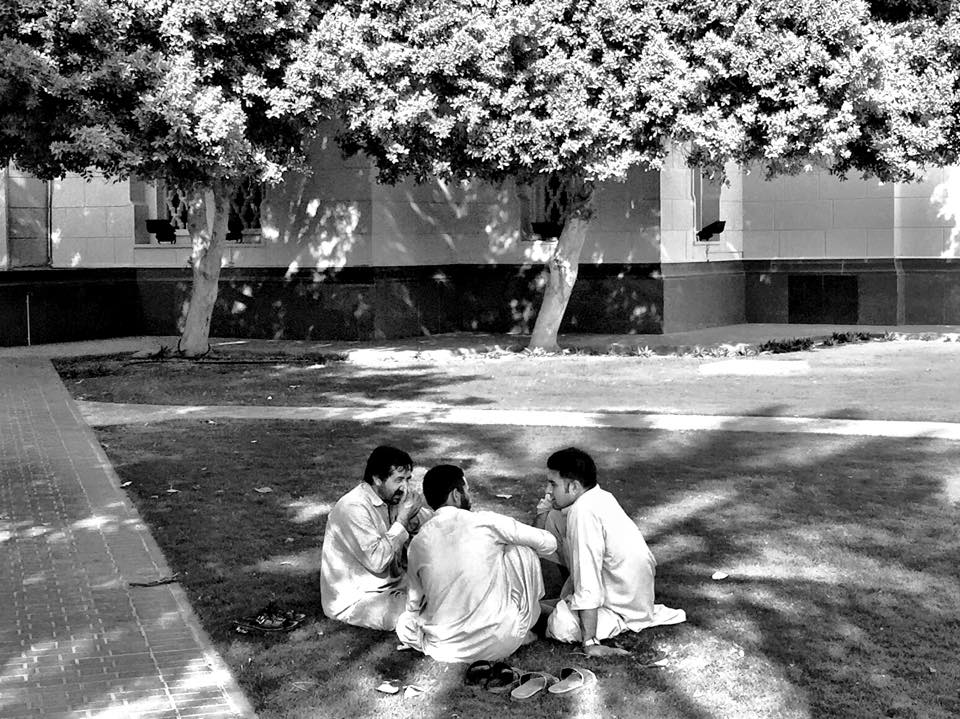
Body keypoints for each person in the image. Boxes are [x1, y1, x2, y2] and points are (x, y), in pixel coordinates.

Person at [395, 464, 558, 663]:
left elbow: (414, 604)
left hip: (445, 648)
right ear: (456, 494)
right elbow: (548, 543)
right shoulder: (485, 521)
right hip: (502, 641)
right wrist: (542, 514)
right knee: (521, 550)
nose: (469, 495)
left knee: (404, 622)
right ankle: (526, 626)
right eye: (467, 490)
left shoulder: (418, 542)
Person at [535, 447, 685, 657]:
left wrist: (590, 642)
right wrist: (544, 511)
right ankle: (556, 604)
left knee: (561, 625)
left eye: (553, 483)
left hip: (624, 607)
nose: (548, 490)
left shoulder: (583, 511)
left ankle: (539, 612)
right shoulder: (597, 496)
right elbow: (540, 536)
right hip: (617, 590)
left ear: (574, 486)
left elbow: (588, 578)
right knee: (553, 518)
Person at [320, 445, 425, 631]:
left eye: (408, 479)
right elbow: (377, 561)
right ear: (377, 479)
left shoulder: (392, 498)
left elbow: (430, 521)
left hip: (395, 585)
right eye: (399, 480)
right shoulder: (353, 508)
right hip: (358, 600)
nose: (405, 488)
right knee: (432, 613)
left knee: (446, 592)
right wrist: (402, 520)